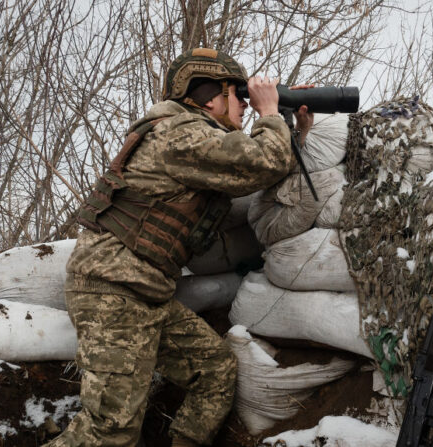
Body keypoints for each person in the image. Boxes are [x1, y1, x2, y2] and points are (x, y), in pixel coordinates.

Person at [43, 48, 313, 447]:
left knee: (215, 373)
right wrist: (269, 111)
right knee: (110, 432)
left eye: (246, 96)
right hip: (113, 291)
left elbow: (262, 166)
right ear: (207, 97)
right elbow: (260, 163)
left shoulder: (195, 140)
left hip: (145, 293)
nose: (243, 103)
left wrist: (293, 129)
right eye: (236, 94)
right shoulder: (180, 132)